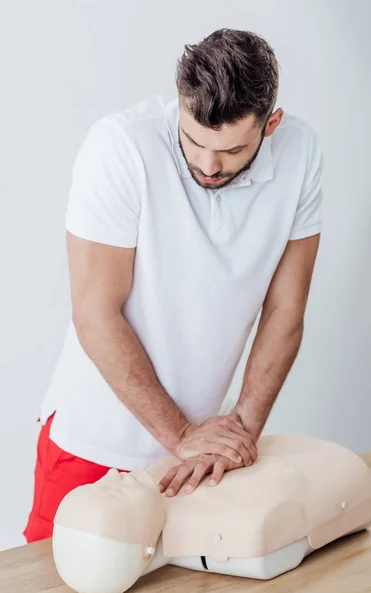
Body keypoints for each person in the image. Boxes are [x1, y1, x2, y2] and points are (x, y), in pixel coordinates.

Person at [24, 28, 323, 543]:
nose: (209, 165)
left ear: (271, 124)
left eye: (231, 150)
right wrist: (180, 434)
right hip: (95, 444)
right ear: (180, 106)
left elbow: (286, 310)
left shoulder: (302, 154)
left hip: (200, 462)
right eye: (194, 141)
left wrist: (240, 433)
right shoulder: (121, 146)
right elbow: (96, 311)